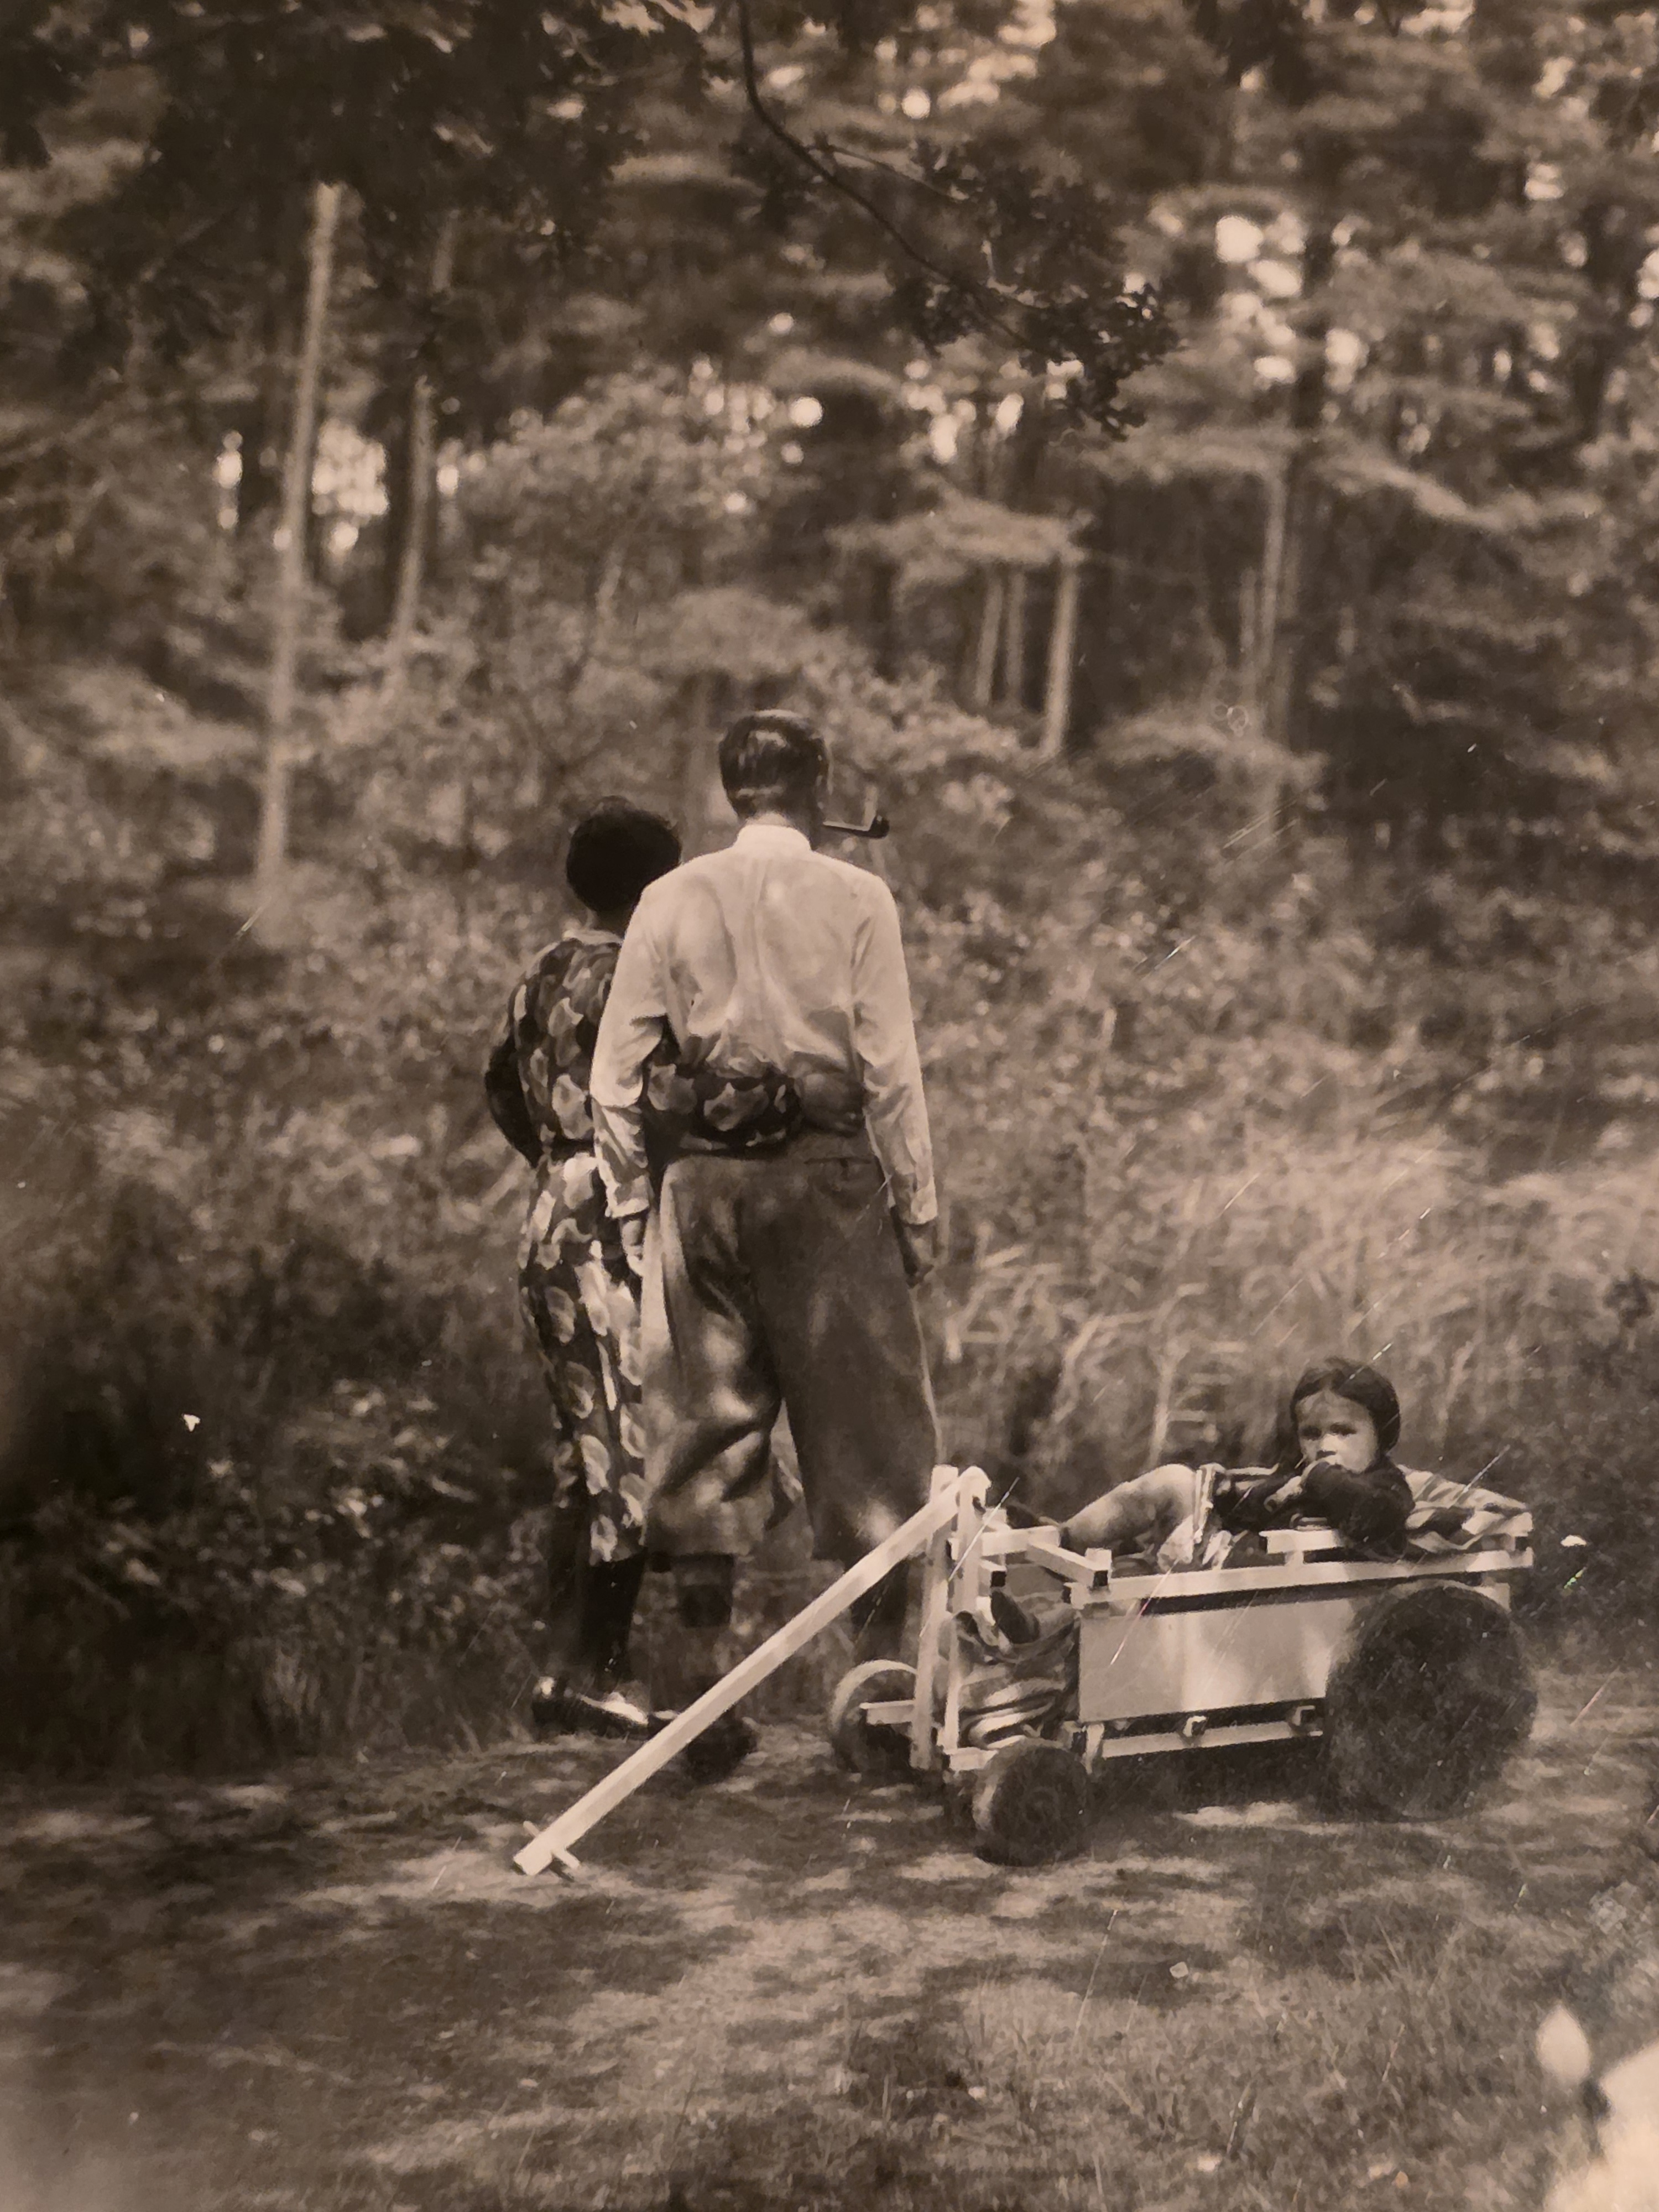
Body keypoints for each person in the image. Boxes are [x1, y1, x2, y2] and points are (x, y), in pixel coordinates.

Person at [589, 709, 940, 1773]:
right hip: (826, 1184)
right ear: (818, 784)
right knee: (872, 1441)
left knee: (705, 1439)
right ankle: (884, 1704)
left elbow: (613, 1080)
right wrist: (920, 1212)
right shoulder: (858, 895)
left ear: (730, 792)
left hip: (701, 1190)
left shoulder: (666, 896)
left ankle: (696, 1707)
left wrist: (636, 1207)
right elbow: (890, 1071)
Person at [484, 798, 682, 1736]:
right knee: (629, 1450)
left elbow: (496, 1082)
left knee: (586, 1456)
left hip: (549, 1210)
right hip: (608, 1217)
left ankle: (562, 1676)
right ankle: (602, 1673)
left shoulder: (540, 970)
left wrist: (547, 1155)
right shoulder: (636, 976)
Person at [1058, 1357, 1415, 1571]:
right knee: (1175, 1486)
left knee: (1172, 1485)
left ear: (1381, 1436)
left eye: (1343, 1431)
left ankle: (1064, 1542)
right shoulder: (1297, 1478)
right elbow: (1260, 1505)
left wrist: (1321, 1477)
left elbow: (1376, 1515)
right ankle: (1064, 1538)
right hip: (1228, 1568)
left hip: (1241, 1584)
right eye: (1311, 1434)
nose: (1325, 1446)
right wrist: (1230, 1496)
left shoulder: (1385, 1484)